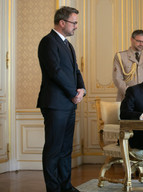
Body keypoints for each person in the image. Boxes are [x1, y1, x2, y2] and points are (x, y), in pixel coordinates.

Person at [37, 6, 86, 192]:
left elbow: (75, 71)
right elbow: (55, 72)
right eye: (74, 22)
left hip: (69, 105)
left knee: (66, 150)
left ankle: (66, 187)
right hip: (55, 104)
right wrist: (73, 93)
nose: (76, 26)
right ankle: (54, 188)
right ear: (62, 22)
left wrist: (82, 89)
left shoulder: (68, 45)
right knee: (53, 149)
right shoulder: (47, 42)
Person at [113, 29, 143, 101]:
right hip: (126, 97)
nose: (141, 44)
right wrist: (130, 93)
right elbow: (117, 79)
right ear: (131, 39)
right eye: (138, 41)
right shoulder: (120, 56)